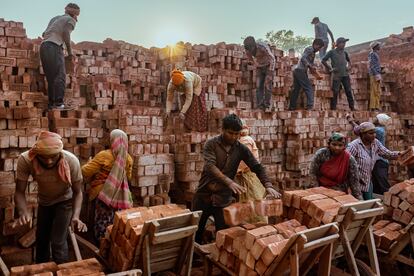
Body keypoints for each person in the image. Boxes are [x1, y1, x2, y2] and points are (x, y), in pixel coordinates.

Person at [193, 114, 280, 243]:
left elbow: (257, 167)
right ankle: (191, 260)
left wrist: (268, 185)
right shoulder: (211, 144)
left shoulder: (241, 149)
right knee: (196, 231)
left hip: (223, 198)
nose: (234, 137)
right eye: (230, 133)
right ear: (222, 129)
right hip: (204, 194)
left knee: (223, 233)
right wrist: (229, 182)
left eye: (236, 134)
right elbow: (210, 166)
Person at [14, 131, 86, 264]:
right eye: (44, 157)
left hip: (65, 201)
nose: (49, 161)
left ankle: (62, 270)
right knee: (41, 239)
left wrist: (76, 216)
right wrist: (23, 212)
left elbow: (78, 192)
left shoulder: (71, 161)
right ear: (36, 153)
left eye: (53, 156)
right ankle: (42, 269)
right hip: (45, 201)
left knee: (58, 241)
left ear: (60, 152)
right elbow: (19, 191)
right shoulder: (26, 159)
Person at [82, 129, 133, 243]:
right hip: (120, 196)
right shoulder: (128, 159)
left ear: (112, 141)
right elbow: (128, 177)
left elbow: (85, 172)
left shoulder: (104, 155)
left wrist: (90, 161)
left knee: (102, 222)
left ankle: (101, 247)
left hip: (103, 195)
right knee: (115, 223)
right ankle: (114, 248)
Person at [40, 3, 80, 110]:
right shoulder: (71, 20)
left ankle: (51, 104)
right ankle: (59, 104)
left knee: (51, 77)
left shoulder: (55, 18)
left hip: (44, 46)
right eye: (77, 16)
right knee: (60, 76)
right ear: (74, 14)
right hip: (54, 47)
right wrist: (70, 52)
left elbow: (44, 34)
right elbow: (66, 33)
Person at [347, 122, 400, 200]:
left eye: (374, 133)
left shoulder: (375, 143)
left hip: (367, 181)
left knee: (369, 203)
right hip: (355, 183)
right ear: (363, 134)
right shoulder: (354, 146)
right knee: (359, 205)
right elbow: (345, 162)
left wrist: (401, 154)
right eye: (371, 133)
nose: (374, 135)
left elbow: (387, 153)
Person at [310, 133, 362, 199]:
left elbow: (354, 180)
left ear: (344, 146)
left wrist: (359, 199)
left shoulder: (349, 159)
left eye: (340, 145)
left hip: (339, 191)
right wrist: (317, 191)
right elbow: (313, 173)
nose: (337, 148)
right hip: (321, 188)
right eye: (334, 144)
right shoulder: (321, 154)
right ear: (329, 144)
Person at [235, 121, 267, 223]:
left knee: (252, 200)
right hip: (246, 176)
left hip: (248, 177)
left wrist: (236, 171)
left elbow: (245, 162)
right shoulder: (242, 140)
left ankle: (258, 226)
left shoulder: (245, 141)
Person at [288, 39, 325, 111]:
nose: (319, 50)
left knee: (296, 89)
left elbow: (310, 63)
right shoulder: (309, 49)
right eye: (319, 47)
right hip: (300, 70)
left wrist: (314, 68)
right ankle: (310, 106)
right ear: (315, 45)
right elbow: (303, 58)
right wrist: (310, 66)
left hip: (298, 71)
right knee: (309, 88)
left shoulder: (313, 53)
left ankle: (292, 107)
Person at [322, 37, 355, 111]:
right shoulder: (332, 52)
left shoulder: (345, 53)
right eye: (342, 43)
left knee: (348, 91)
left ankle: (352, 107)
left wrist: (349, 67)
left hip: (345, 75)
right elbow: (323, 60)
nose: (344, 45)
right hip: (336, 75)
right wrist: (330, 68)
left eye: (344, 43)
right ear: (338, 44)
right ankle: (333, 108)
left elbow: (349, 61)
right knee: (335, 91)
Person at [243, 36, 276, 111]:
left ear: (254, 45)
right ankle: (260, 106)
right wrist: (256, 64)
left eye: (252, 49)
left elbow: (272, 58)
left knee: (267, 84)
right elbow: (250, 58)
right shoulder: (247, 50)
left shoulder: (262, 46)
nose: (251, 51)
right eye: (249, 50)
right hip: (259, 66)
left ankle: (267, 105)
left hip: (268, 65)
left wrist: (270, 71)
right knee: (258, 86)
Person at [368, 41, 383, 111]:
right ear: (375, 46)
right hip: (374, 75)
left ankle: (377, 106)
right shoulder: (372, 54)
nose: (380, 46)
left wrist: (380, 70)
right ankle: (373, 107)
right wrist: (376, 74)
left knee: (377, 91)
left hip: (377, 74)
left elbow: (375, 65)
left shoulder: (375, 54)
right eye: (378, 45)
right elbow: (372, 65)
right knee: (374, 91)